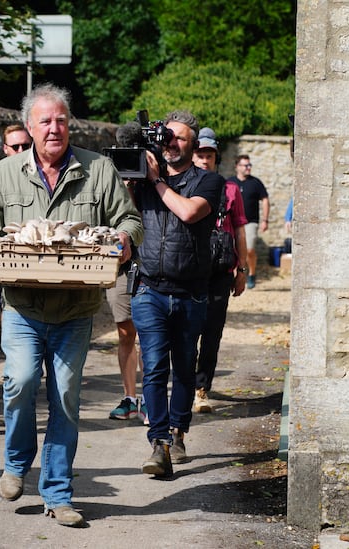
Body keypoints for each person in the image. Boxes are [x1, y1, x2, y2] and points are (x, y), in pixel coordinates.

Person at [0, 83, 142, 527]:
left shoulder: (98, 169)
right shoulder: (6, 173)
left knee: (65, 397)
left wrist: (124, 240)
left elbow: (129, 219)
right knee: (20, 382)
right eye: (45, 121)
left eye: (61, 120)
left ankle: (59, 494)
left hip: (76, 308)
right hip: (22, 306)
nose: (54, 128)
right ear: (29, 127)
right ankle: (15, 461)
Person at [130, 111, 224, 479]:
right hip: (149, 288)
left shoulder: (209, 181)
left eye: (181, 139)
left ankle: (178, 430)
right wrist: (135, 174)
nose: (172, 143)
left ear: (194, 144)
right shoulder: (143, 178)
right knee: (153, 367)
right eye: (168, 137)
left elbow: (187, 212)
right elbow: (119, 210)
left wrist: (155, 181)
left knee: (184, 369)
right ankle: (159, 443)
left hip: (191, 292)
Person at [191, 128, 249, 414]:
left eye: (209, 155)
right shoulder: (184, 186)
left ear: (216, 158)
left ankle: (202, 389)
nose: (204, 160)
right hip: (189, 269)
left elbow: (239, 228)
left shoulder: (230, 190)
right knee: (187, 330)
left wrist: (243, 269)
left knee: (212, 332)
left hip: (220, 269)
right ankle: (185, 384)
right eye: (200, 155)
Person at [107, 121, 145, 424]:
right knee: (125, 332)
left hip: (149, 265)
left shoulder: (153, 174)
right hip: (120, 268)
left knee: (150, 334)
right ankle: (130, 397)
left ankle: (150, 398)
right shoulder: (109, 173)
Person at [227, 155, 269, 289]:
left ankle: (251, 274)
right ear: (237, 167)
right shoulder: (230, 182)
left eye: (249, 165)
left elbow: (265, 200)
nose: (248, 168)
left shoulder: (256, 183)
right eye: (246, 165)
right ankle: (236, 276)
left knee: (249, 249)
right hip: (233, 222)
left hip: (250, 222)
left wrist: (265, 220)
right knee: (232, 250)